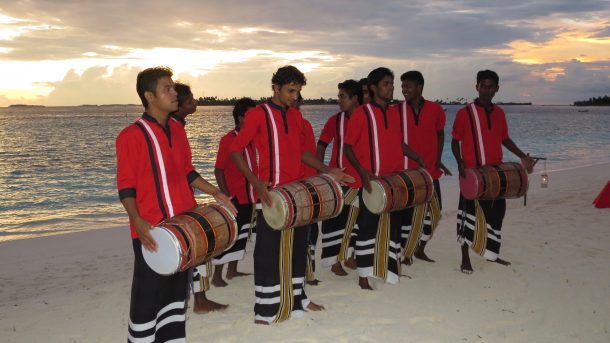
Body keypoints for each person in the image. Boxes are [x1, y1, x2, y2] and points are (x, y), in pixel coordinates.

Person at [116, 67, 236, 342]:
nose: (174, 93)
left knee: (175, 294)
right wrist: (138, 222)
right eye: (167, 89)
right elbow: (126, 187)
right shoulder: (130, 136)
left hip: (184, 225)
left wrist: (217, 193)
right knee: (147, 296)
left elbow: (187, 172)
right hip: (152, 230)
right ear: (149, 96)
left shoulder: (177, 131)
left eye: (173, 88)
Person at [228, 65, 353, 324]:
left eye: (297, 91)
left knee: (298, 248)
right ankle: (265, 309)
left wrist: (329, 171)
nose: (294, 96)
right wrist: (255, 183)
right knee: (267, 252)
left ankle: (298, 300)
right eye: (290, 91)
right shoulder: (258, 115)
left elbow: (303, 154)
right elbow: (235, 151)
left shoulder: (296, 117)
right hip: (271, 195)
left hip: (297, 194)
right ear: (275, 88)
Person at [344, 67, 424, 290]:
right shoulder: (362, 113)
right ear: (373, 87)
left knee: (393, 227)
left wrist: (415, 155)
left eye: (391, 83)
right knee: (368, 227)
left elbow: (398, 142)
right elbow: (348, 147)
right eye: (386, 83)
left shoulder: (394, 113)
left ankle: (389, 269)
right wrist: (361, 171)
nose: (391, 88)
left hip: (394, 181)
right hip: (371, 183)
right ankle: (363, 275)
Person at [451, 69, 534, 274]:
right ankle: (465, 258)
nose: (486, 90)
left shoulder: (499, 113)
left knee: (496, 216)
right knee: (467, 216)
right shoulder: (465, 113)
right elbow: (454, 140)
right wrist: (459, 161)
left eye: (491, 86)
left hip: (496, 175)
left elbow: (504, 138)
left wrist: (522, 156)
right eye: (483, 86)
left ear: (496, 89)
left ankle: (491, 254)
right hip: (472, 175)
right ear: (476, 87)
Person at [170, 82, 229, 313]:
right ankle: (200, 301)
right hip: (179, 201)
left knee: (199, 248)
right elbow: (184, 171)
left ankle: (200, 299)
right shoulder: (173, 128)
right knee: (200, 247)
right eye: (191, 99)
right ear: (179, 105)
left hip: (184, 198)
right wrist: (216, 191)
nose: (195, 102)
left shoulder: (176, 126)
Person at [395, 71, 452, 265]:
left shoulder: (435, 109)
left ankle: (419, 248)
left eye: (408, 86)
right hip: (407, 173)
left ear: (420, 87)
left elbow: (440, 134)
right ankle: (406, 252)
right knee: (408, 215)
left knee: (435, 213)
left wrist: (437, 159)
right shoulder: (396, 111)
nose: (404, 90)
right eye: (402, 87)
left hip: (430, 172)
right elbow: (394, 141)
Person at [317, 79, 363, 276]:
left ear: (355, 98)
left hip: (363, 180)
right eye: (339, 96)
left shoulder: (367, 119)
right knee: (335, 222)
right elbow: (321, 145)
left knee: (357, 222)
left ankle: (351, 256)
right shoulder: (335, 121)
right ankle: (334, 261)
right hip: (339, 181)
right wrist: (323, 172)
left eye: (342, 96)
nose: (339, 101)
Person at [211, 97, 258, 288]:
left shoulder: (253, 139)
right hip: (235, 196)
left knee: (243, 234)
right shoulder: (228, 139)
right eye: (250, 115)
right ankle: (217, 275)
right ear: (240, 118)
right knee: (229, 235)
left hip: (251, 195)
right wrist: (226, 194)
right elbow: (218, 169)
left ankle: (232, 270)